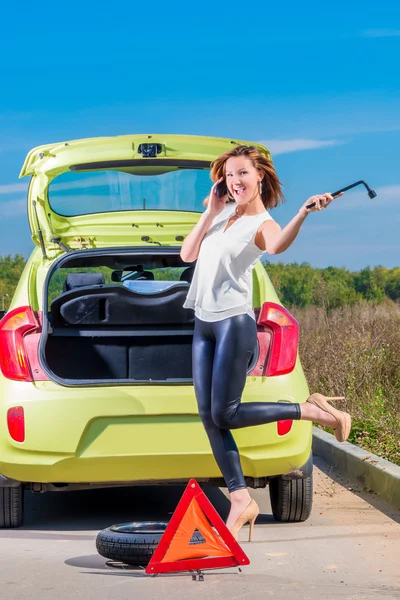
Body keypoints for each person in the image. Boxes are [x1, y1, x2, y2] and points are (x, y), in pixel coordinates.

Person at [180, 144, 351, 541]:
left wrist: (303, 214)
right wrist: (209, 212)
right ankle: (241, 499)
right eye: (228, 175)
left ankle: (310, 410)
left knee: (225, 414)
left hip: (233, 325)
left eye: (242, 173)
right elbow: (187, 255)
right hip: (203, 323)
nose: (235, 181)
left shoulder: (262, 223)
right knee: (210, 417)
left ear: (260, 176)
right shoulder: (220, 215)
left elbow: (276, 246)